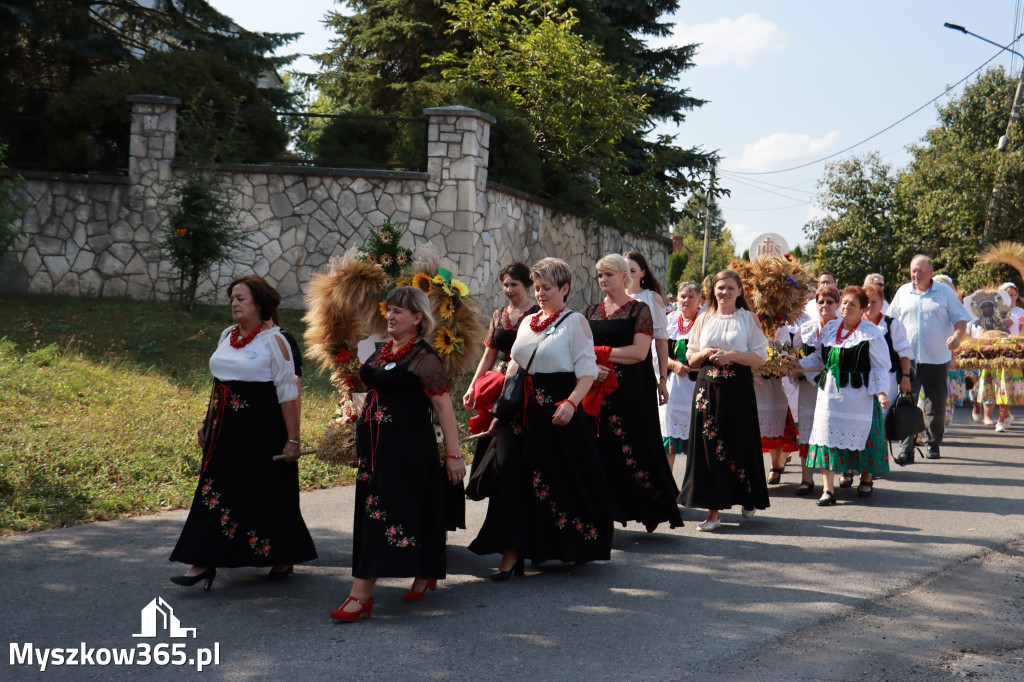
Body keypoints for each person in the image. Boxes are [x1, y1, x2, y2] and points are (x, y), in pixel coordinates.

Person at [170, 276, 316, 590]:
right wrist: (207, 422)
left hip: (262, 434)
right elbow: (218, 385)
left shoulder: (277, 340)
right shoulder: (227, 336)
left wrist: (293, 440)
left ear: (260, 304)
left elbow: (289, 392)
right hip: (224, 433)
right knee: (214, 493)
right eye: (232, 299)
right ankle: (203, 561)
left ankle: (283, 554)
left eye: (241, 299)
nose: (234, 304)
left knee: (267, 495)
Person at [469, 257, 613, 576]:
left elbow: (588, 371)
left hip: (556, 413)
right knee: (510, 481)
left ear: (565, 288)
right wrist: (499, 412)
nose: (540, 294)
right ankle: (511, 554)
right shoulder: (527, 322)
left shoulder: (576, 322)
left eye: (547, 288)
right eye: (537, 288)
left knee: (557, 481)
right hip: (518, 415)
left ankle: (564, 544)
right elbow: (514, 368)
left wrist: (572, 403)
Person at [329, 286, 466, 621]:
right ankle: (425, 570)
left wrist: (453, 455)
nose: (390, 316)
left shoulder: (424, 358)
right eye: (389, 310)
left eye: (399, 312)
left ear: (417, 318)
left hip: (406, 450)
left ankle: (360, 596)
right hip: (374, 451)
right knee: (387, 511)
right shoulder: (382, 351)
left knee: (385, 514)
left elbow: (443, 406)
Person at [586, 254, 683, 533]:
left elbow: (640, 353)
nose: (604, 280)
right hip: (598, 387)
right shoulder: (591, 312)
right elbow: (579, 350)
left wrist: (599, 355)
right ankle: (604, 511)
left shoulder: (639, 310)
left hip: (632, 390)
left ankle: (649, 507)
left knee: (636, 447)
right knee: (601, 449)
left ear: (624, 277)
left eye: (609, 275)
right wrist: (594, 364)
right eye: (600, 275)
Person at [678, 269, 770, 531]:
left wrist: (731, 355)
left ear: (740, 291)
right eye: (720, 288)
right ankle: (713, 513)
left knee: (739, 444)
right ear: (713, 291)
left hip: (737, 390)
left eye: (730, 288)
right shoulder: (703, 318)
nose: (725, 292)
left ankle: (746, 494)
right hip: (707, 389)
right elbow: (691, 358)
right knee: (708, 449)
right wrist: (706, 353)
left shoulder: (748, 319)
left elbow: (760, 357)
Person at [799, 286, 891, 505]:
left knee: (866, 438)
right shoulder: (830, 328)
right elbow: (821, 360)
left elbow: (880, 367)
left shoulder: (872, 333)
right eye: (844, 303)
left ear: (863, 309)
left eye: (852, 304)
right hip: (829, 395)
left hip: (859, 396)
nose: (846, 307)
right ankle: (828, 490)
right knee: (826, 440)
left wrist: (881, 393)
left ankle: (866, 479)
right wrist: (795, 365)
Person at [462, 263, 538, 490]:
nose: (509, 289)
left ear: (527, 285)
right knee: (491, 432)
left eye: (514, 284)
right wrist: (472, 387)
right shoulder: (498, 315)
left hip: (524, 381)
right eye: (505, 285)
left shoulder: (537, 314)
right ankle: (489, 483)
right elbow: (488, 357)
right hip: (497, 382)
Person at [887, 255, 971, 462]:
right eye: (913, 271)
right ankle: (906, 448)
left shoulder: (944, 292)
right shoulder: (903, 292)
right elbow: (889, 321)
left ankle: (932, 443)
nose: (916, 275)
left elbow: (961, 319)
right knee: (907, 402)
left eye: (920, 271)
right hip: (909, 360)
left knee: (937, 404)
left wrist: (957, 337)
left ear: (931, 271)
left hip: (937, 358)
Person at [792, 285, 840, 495]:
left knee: (831, 430)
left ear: (837, 304)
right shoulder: (807, 328)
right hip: (809, 389)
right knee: (807, 430)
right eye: (821, 301)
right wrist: (796, 367)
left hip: (834, 390)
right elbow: (797, 354)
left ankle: (837, 478)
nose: (825, 306)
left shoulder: (843, 328)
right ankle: (806, 479)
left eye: (830, 301)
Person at [661, 281, 702, 471]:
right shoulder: (670, 320)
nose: (686, 300)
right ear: (676, 299)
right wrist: (672, 364)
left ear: (699, 300)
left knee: (698, 438)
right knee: (668, 439)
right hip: (672, 387)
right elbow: (656, 350)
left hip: (696, 387)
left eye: (691, 296)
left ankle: (695, 488)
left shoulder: (705, 320)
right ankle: (668, 487)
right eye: (683, 296)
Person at [624, 250, 671, 407]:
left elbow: (661, 341)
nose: (628, 275)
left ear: (642, 273)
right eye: (624, 270)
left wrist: (662, 380)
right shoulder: (611, 299)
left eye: (633, 271)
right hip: (615, 366)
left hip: (641, 367)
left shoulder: (651, 298)